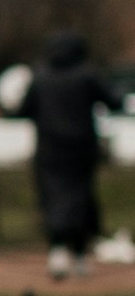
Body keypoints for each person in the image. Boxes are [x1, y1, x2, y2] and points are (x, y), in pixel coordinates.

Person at [23, 28, 118, 276]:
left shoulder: (40, 76)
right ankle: (79, 254)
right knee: (81, 198)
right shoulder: (88, 75)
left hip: (49, 150)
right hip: (81, 150)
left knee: (53, 198)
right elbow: (113, 101)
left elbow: (23, 108)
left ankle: (57, 250)